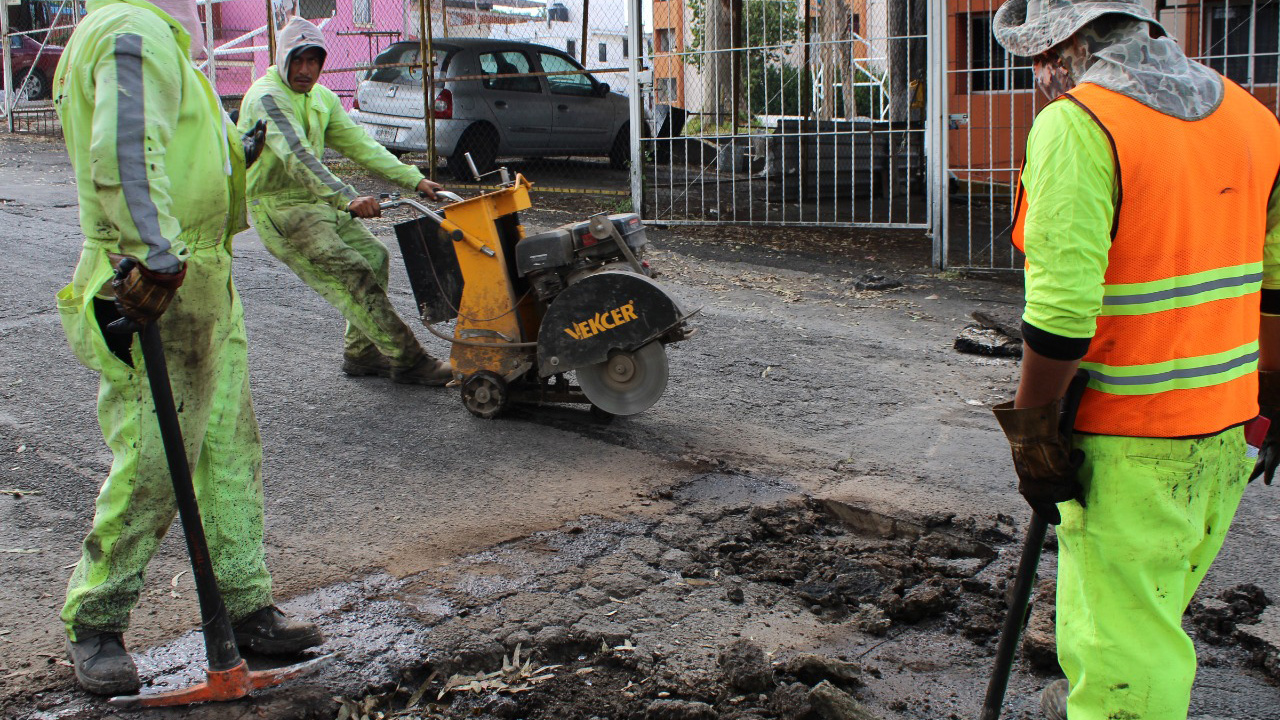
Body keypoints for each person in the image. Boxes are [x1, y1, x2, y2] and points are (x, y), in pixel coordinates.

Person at [988, 1, 1280, 718]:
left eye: (1037, 60)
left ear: (1070, 46)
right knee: (1145, 620)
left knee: (1126, 664)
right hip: (1223, 439)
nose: (1037, 78)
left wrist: (1034, 433)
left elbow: (1060, 319)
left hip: (1129, 450)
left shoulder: (1081, 125)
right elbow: (1275, 287)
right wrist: (1272, 399)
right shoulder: (1253, 120)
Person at [52, 0, 322, 696]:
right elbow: (124, 151)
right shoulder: (130, 31)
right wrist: (156, 256)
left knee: (232, 449)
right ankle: (97, 618)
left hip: (202, 279)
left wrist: (239, 155)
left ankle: (246, 606)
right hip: (156, 277)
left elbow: (178, 148)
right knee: (152, 457)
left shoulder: (164, 37)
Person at [238, 17, 451, 385]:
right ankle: (409, 359)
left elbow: (361, 145)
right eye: (298, 61)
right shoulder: (266, 97)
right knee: (352, 271)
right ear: (282, 58)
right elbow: (298, 156)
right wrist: (348, 198)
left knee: (374, 256)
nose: (306, 70)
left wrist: (414, 179)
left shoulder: (321, 98)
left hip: (317, 203)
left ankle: (361, 353)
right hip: (280, 208)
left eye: (313, 61)